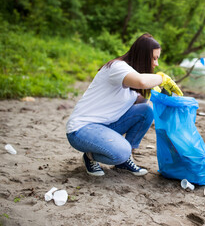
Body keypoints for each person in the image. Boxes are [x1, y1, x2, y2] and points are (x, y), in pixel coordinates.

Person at [66, 33, 183, 176]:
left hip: (105, 125)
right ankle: (91, 156)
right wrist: (161, 78)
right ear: (143, 56)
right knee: (121, 152)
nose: (156, 63)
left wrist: (156, 94)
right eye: (154, 58)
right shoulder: (118, 67)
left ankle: (124, 160)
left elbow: (139, 107)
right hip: (82, 129)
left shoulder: (134, 75)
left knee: (146, 111)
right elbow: (141, 81)